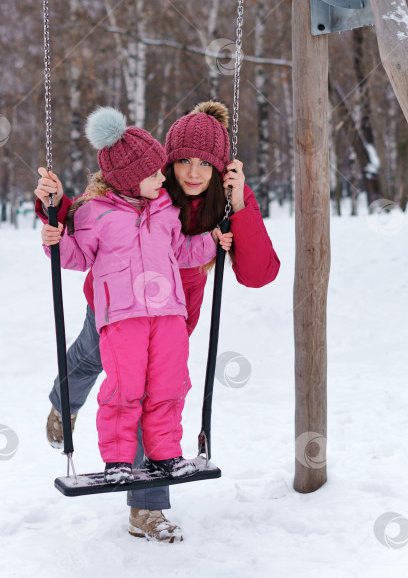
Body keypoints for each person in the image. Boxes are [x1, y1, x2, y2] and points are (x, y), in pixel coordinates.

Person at [35, 100, 280, 542]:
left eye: (205, 163)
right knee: (90, 363)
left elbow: (257, 271)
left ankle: (147, 509)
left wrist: (237, 207)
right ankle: (64, 403)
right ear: (165, 161)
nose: (191, 172)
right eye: (182, 160)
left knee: (154, 391)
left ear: (220, 166)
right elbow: (94, 216)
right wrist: (53, 211)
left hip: (171, 312)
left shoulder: (224, 195)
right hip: (114, 307)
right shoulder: (151, 183)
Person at [40, 106, 233, 485]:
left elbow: (180, 251)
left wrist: (211, 243)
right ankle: (118, 459)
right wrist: (57, 242)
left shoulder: (164, 210)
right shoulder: (96, 213)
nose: (164, 178)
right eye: (155, 172)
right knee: (125, 389)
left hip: (168, 314)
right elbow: (79, 257)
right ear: (131, 178)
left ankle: (165, 454)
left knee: (169, 385)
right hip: (122, 316)